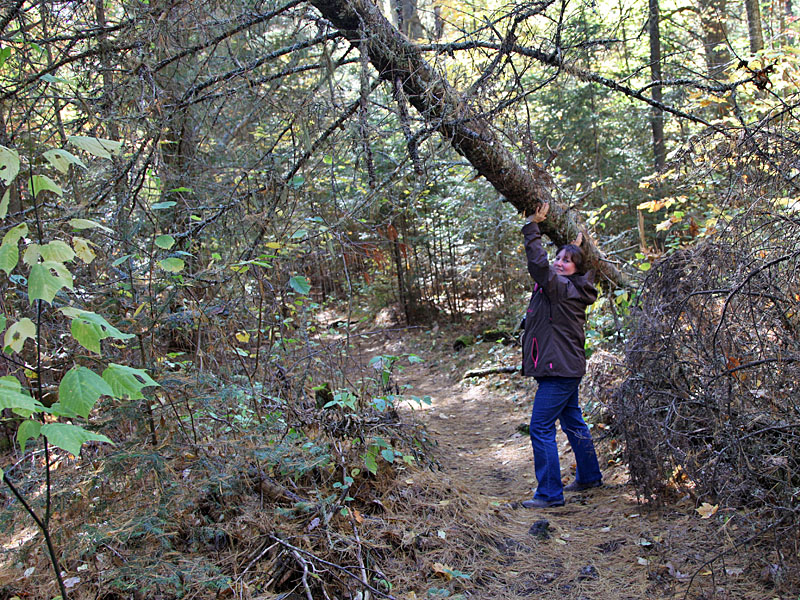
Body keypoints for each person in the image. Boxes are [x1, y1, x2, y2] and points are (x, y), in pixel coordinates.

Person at [519, 202, 602, 508]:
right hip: (566, 368)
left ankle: (550, 494)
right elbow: (554, 270)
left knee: (540, 427)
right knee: (573, 422)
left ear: (577, 270)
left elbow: (538, 265)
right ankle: (590, 476)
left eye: (567, 261)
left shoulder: (561, 287)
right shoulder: (573, 287)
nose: (559, 263)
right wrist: (574, 246)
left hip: (558, 371)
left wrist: (533, 226)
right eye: (558, 258)